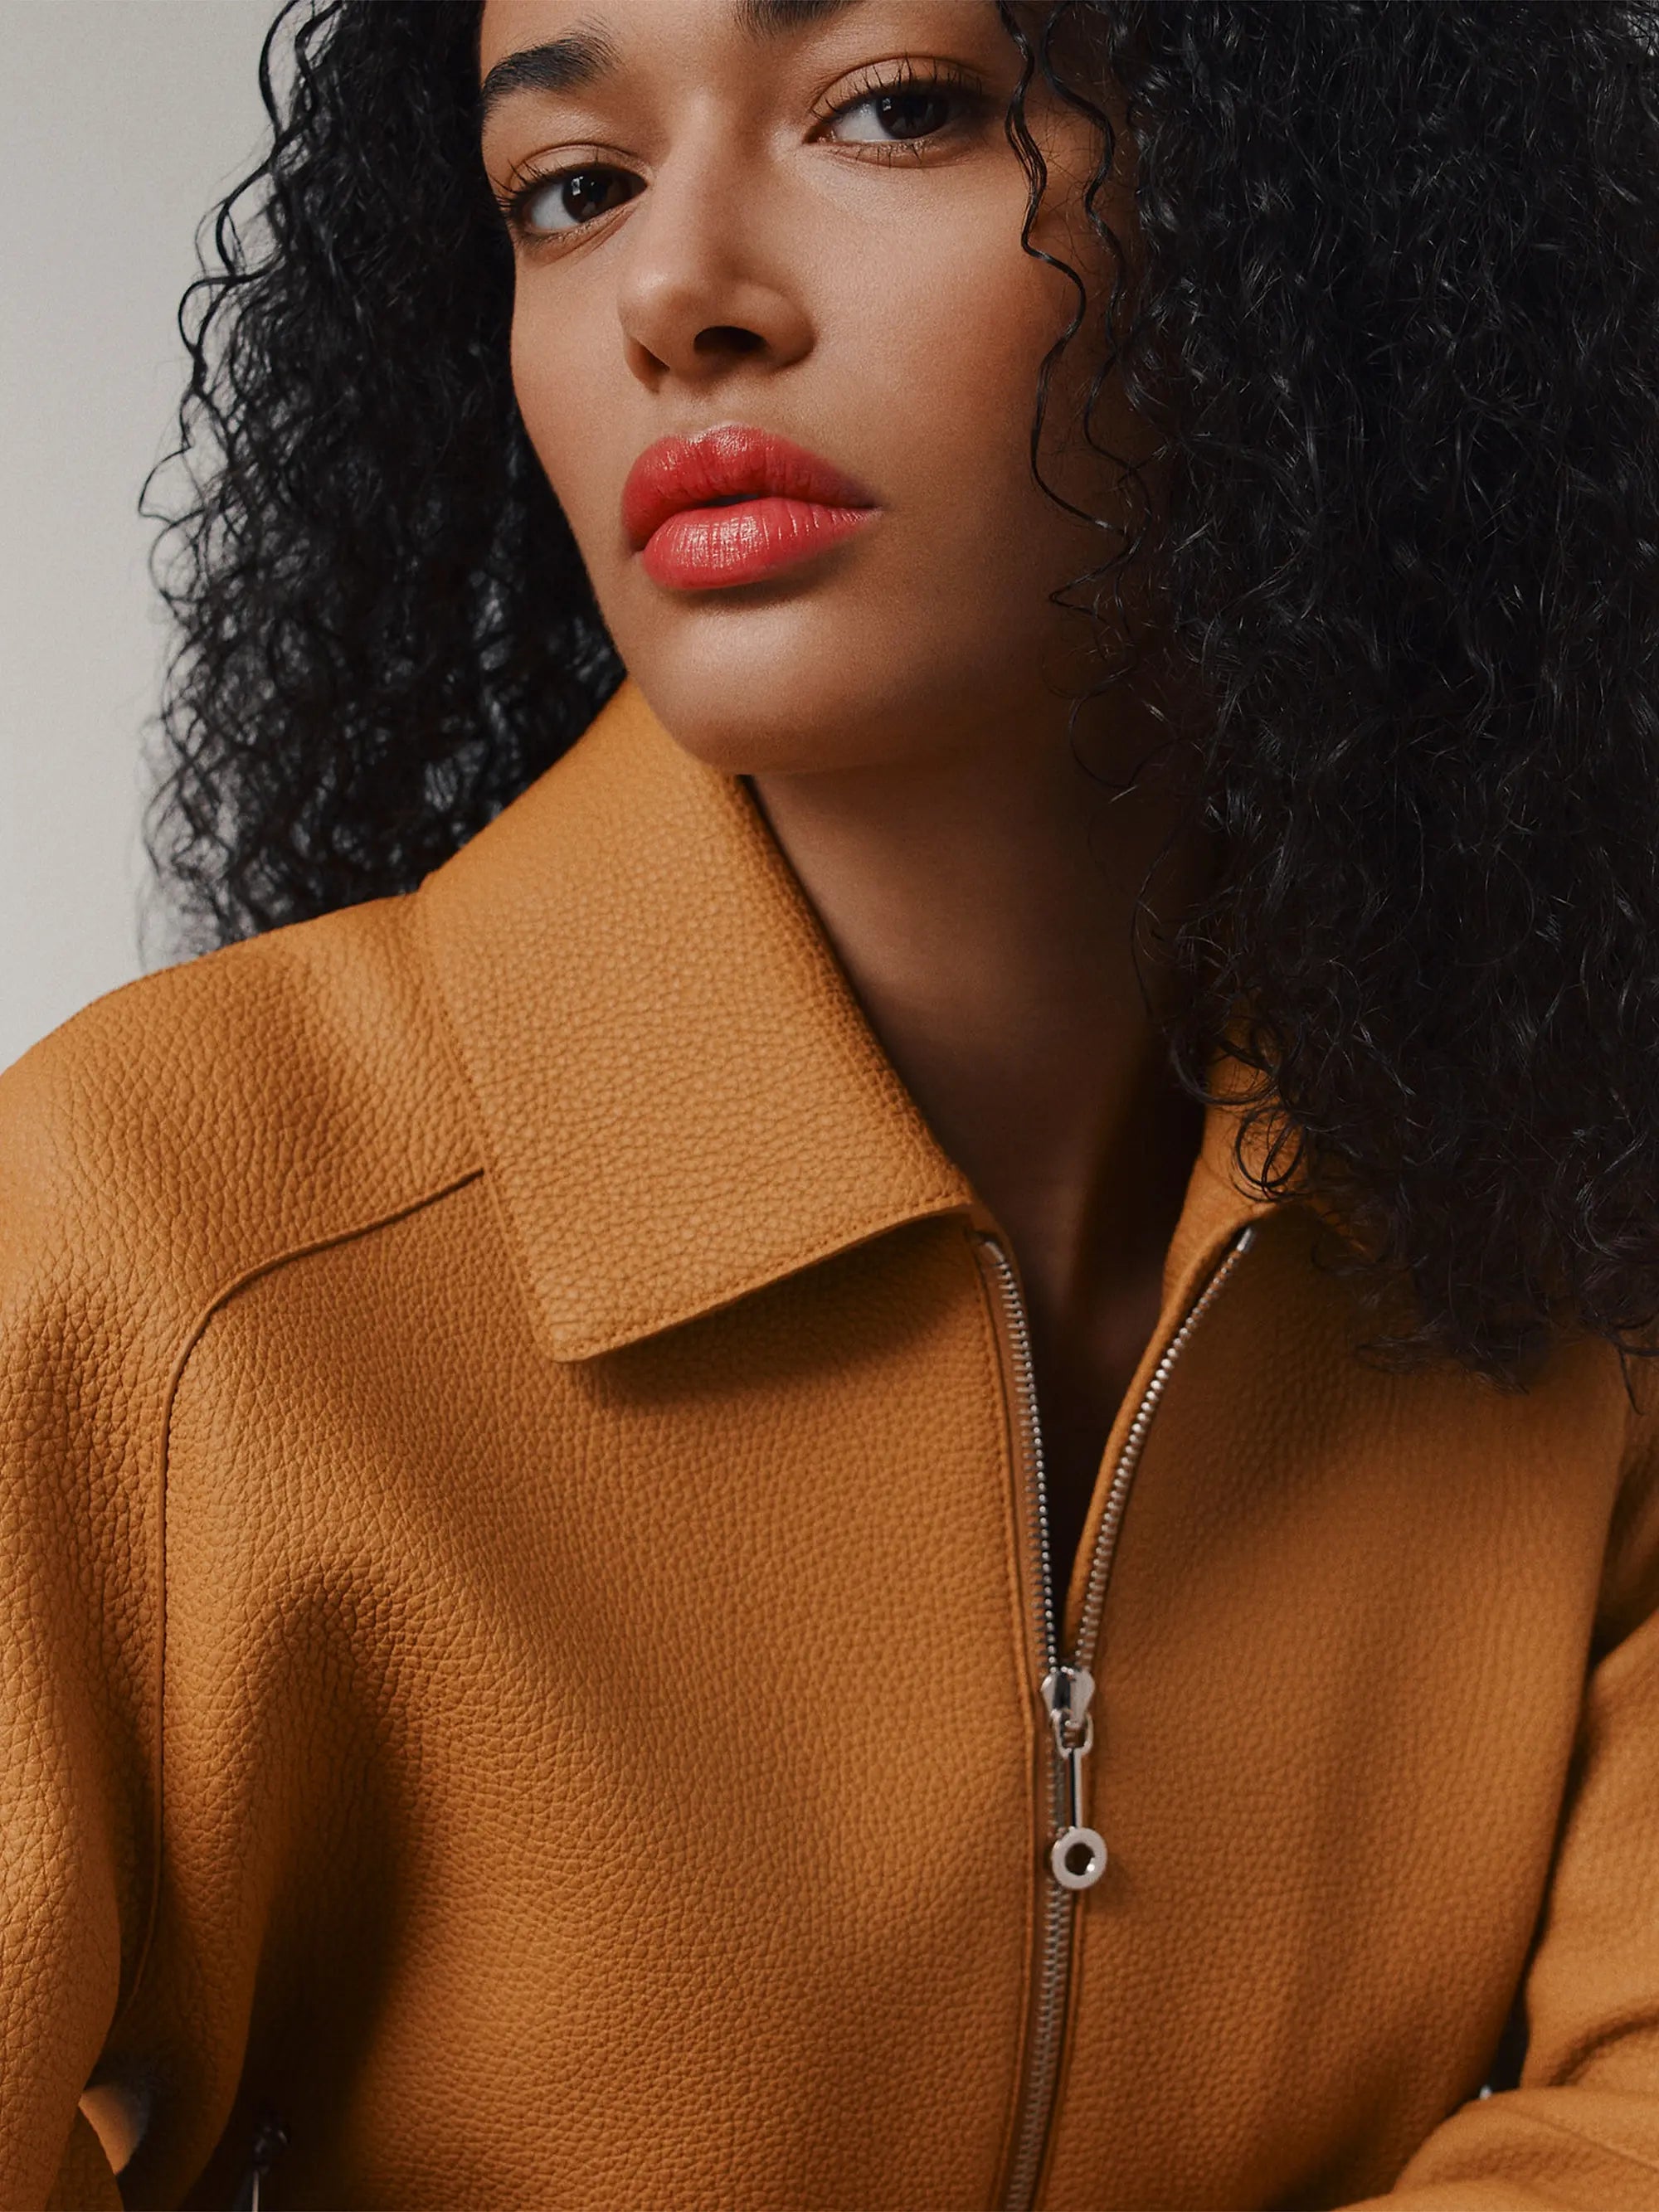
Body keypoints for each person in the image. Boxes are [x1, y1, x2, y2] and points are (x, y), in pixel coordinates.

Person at [7, 0, 1659, 2204]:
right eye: (571, 191)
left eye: (895, 108)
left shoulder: (1585, 1217)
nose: (677, 293)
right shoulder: (153, 1242)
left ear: (1321, 207)